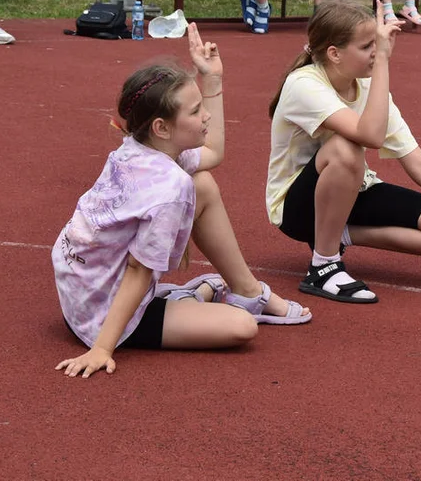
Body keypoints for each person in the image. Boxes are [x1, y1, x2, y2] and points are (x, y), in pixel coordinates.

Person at [53, 24, 311, 379]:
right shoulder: (168, 186)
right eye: (194, 111)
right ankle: (194, 296)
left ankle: (243, 292)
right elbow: (138, 270)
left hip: (81, 290)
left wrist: (213, 80)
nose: (204, 115)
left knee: (202, 183)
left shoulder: (140, 146)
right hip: (99, 312)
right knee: (241, 328)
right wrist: (101, 348)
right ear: (161, 127)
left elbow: (214, 154)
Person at [266, 1, 421, 303]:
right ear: (335, 53)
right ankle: (324, 266)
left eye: (377, 44)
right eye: (367, 45)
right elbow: (368, 136)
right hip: (298, 209)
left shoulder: (368, 87)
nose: (376, 50)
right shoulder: (303, 84)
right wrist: (382, 61)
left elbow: (415, 159)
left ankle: (338, 235)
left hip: (353, 190)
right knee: (345, 147)